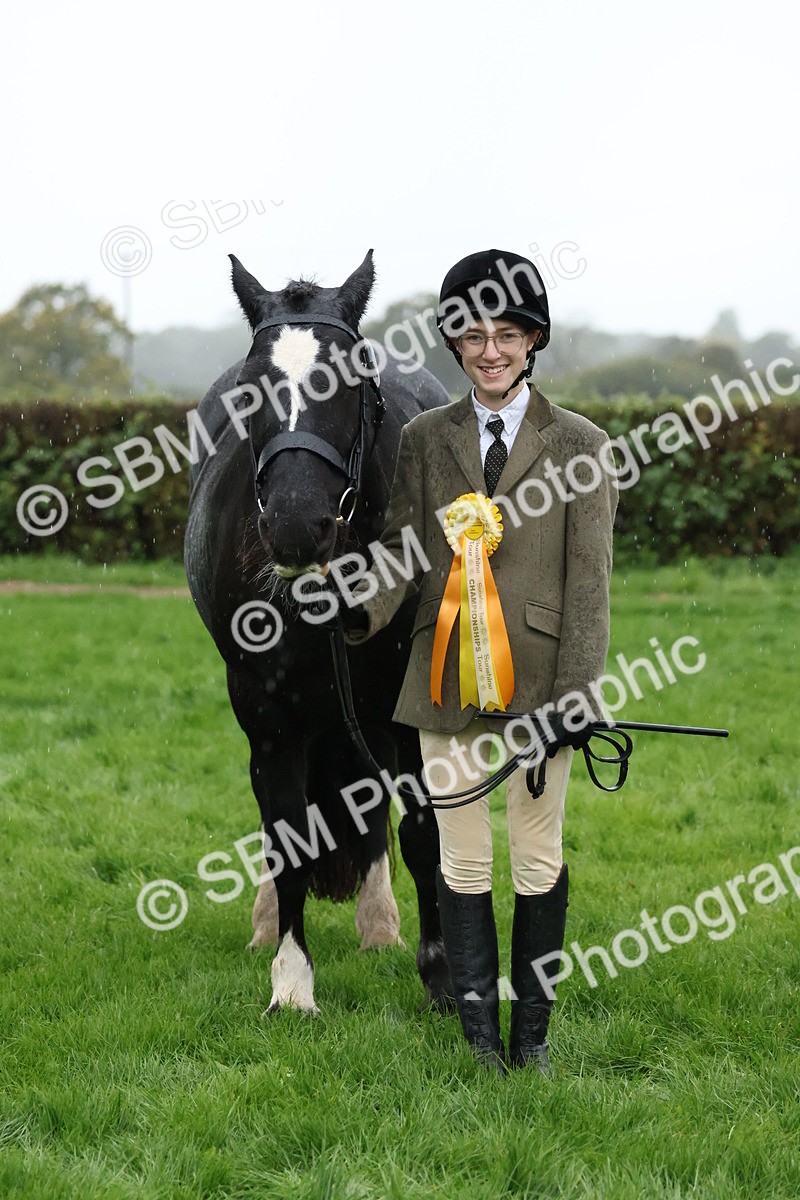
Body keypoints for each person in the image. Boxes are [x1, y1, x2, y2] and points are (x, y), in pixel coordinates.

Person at [335, 249, 617, 1075]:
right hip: (444, 674)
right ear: (454, 343)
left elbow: (590, 587)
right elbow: (400, 551)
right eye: (472, 335)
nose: (490, 351)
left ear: (533, 341)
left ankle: (530, 1039)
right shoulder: (426, 440)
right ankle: (479, 1039)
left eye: (507, 335)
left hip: (541, 681)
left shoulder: (580, 445)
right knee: (460, 856)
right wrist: (358, 603)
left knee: (535, 853)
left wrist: (574, 698)